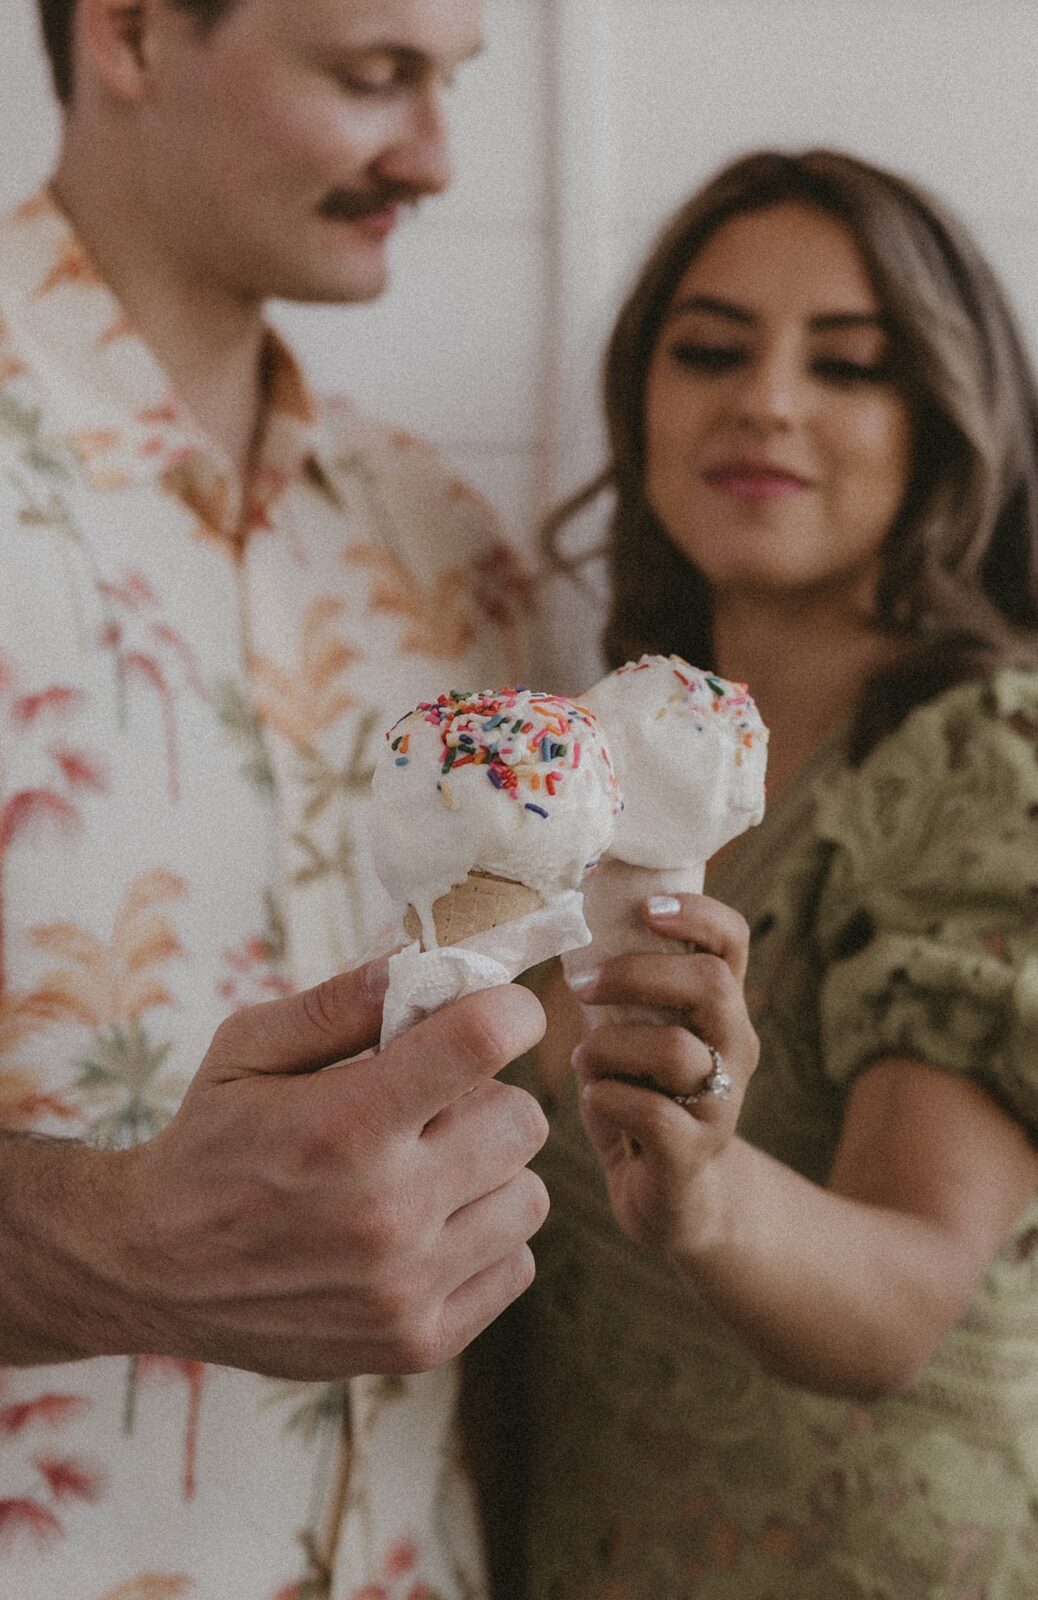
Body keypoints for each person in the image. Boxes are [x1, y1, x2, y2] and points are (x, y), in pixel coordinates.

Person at [0, 2, 551, 1597]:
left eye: (450, 82)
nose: (437, 156)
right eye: (373, 73)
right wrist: (105, 1246)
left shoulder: (454, 551)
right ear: (129, 31)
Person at [524, 149, 1038, 1598]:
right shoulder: (588, 774)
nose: (764, 399)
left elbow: (897, 1304)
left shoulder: (987, 764)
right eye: (709, 349)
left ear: (944, 418)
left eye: (849, 364)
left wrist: (696, 1186)